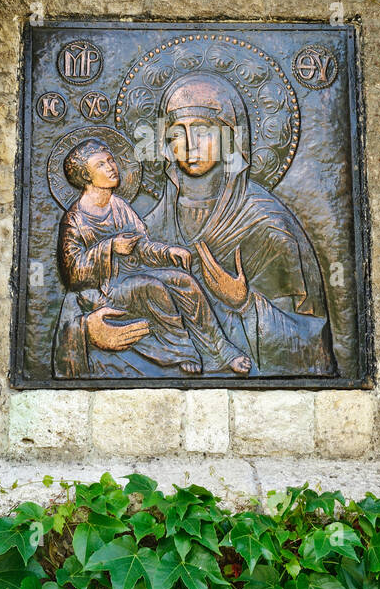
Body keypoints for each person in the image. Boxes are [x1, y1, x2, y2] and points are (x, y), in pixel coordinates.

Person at [141, 73, 336, 377]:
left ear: (228, 138)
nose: (189, 145)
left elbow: (312, 346)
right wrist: (90, 329)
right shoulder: (150, 225)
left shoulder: (268, 225)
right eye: (177, 133)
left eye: (203, 131)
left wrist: (244, 303)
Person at [52, 138, 252, 377]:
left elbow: (141, 246)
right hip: (103, 292)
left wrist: (168, 252)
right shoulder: (74, 220)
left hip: (129, 277)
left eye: (110, 160)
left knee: (183, 281)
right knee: (151, 286)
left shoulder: (119, 206)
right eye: (101, 165)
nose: (111, 167)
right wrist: (110, 247)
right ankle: (183, 352)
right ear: (86, 176)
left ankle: (220, 350)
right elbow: (73, 274)